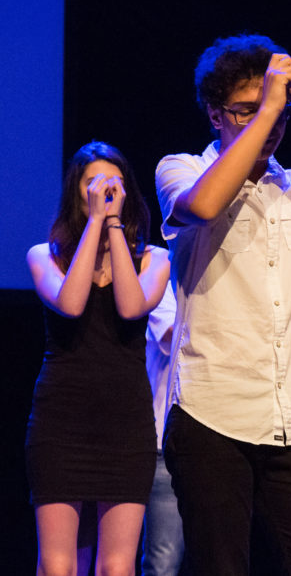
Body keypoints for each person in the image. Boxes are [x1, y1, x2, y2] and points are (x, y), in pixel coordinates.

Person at [155, 33, 291, 575]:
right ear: (215, 114)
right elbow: (206, 205)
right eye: (247, 111)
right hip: (213, 414)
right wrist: (272, 107)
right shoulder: (181, 169)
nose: (270, 125)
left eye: (278, 114)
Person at [26, 141, 171, 576]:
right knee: (57, 566)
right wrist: (94, 222)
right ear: (77, 193)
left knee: (117, 566)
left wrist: (112, 227)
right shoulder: (45, 256)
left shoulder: (154, 259)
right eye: (94, 184)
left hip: (125, 425)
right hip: (60, 421)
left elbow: (130, 307)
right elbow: (71, 303)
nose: (105, 192)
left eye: (114, 184)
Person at [140, 283, 184, 576]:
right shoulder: (165, 285)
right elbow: (173, 335)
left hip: (224, 438)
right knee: (163, 562)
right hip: (166, 446)